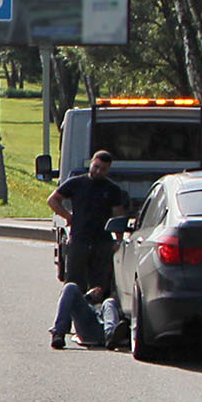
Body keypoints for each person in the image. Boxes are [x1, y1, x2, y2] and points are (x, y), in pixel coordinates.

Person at [47, 149, 131, 349]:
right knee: (72, 285)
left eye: (103, 169)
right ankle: (61, 331)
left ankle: (109, 331)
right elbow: (53, 199)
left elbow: (117, 216)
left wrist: (118, 241)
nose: (98, 170)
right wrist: (68, 217)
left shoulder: (112, 190)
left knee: (101, 288)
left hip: (102, 243)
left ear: (108, 170)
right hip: (79, 241)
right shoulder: (77, 183)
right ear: (91, 163)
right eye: (96, 166)